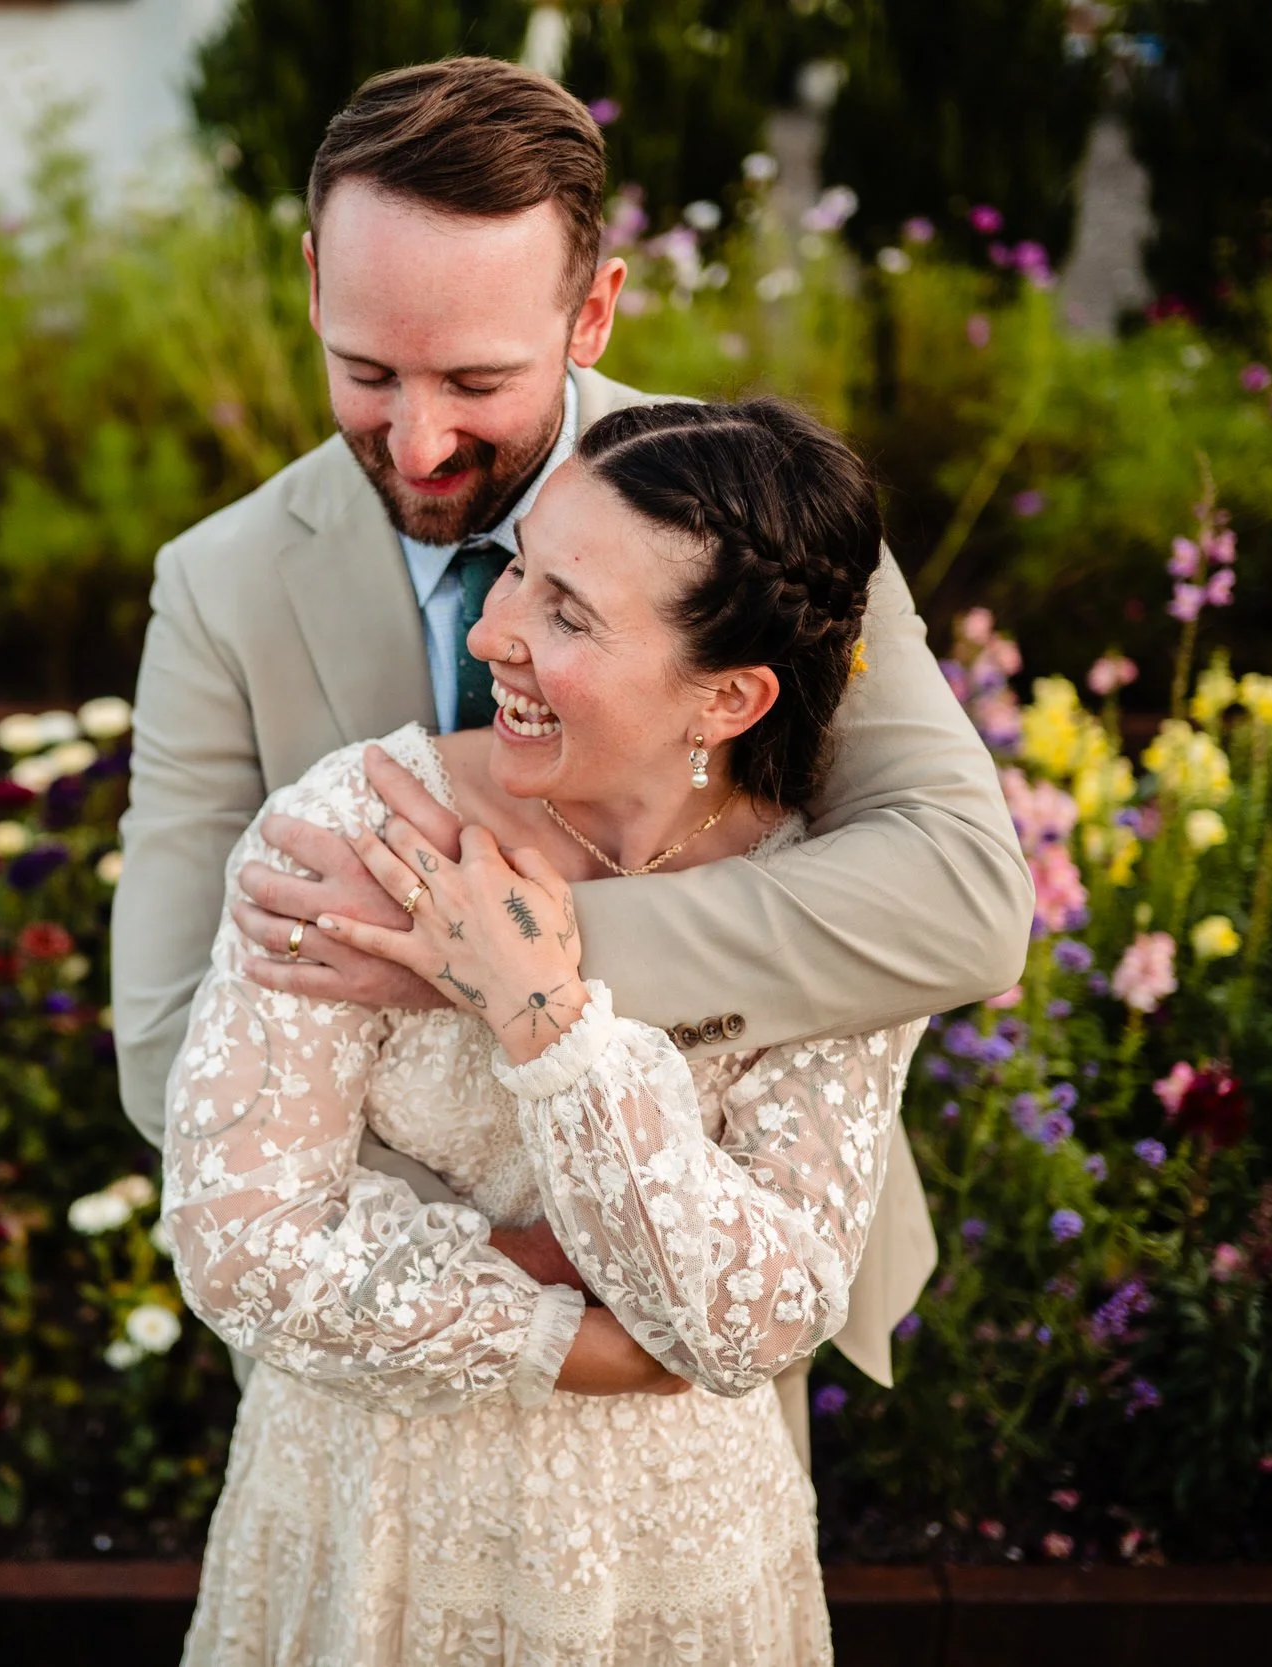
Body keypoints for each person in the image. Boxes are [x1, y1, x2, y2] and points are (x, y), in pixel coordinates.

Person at [112, 57, 1031, 1460]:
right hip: (383, 1374)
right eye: (365, 371)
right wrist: (496, 1280)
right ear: (311, 283)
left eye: (477, 379)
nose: (416, 442)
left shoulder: (760, 521)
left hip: (706, 1345)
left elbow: (960, 895)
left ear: (594, 309)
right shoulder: (219, 583)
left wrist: (495, 961)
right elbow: (167, 1028)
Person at [164, 395, 927, 1661]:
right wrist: (560, 1323)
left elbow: (759, 1315)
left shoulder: (821, 909)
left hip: (671, 1553)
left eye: (568, 611)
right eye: (521, 568)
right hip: (372, 1524)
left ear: (726, 697)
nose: (497, 630)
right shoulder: (356, 822)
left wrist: (547, 1022)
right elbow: (237, 1241)